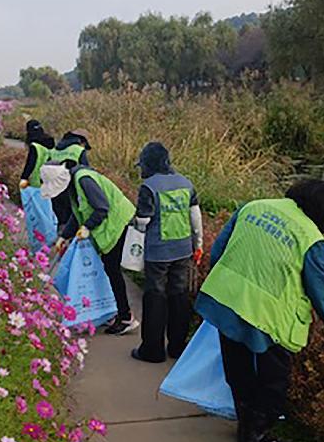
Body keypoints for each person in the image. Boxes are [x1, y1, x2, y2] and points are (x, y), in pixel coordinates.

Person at [195, 179, 324, 442]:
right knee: (275, 378)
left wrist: (222, 283)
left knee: (237, 368)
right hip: (268, 314)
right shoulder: (309, 235)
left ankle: (246, 428)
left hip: (227, 299)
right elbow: (319, 287)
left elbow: (218, 250)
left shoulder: (253, 207)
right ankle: (258, 435)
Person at [41, 161, 139, 336]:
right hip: (109, 227)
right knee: (107, 269)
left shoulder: (84, 180)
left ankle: (125, 317)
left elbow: (102, 208)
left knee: (112, 270)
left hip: (118, 225)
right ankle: (113, 311)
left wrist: (87, 227)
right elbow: (78, 214)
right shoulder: (74, 184)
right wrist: (64, 236)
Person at [130, 142, 204, 363]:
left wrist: (134, 223)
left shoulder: (149, 186)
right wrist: (197, 244)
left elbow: (143, 220)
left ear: (148, 163)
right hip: (182, 250)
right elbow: (195, 218)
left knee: (155, 296)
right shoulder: (186, 183)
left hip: (158, 252)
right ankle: (178, 348)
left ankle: (152, 350)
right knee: (179, 295)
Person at [46, 130, 92, 228]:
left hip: (54, 188)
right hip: (71, 188)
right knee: (71, 217)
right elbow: (86, 171)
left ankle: (58, 236)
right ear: (82, 141)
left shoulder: (54, 150)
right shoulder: (78, 150)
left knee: (58, 217)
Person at [18, 120, 55, 190]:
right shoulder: (51, 143)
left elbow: (30, 164)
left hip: (36, 182)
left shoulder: (35, 146)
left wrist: (24, 178)